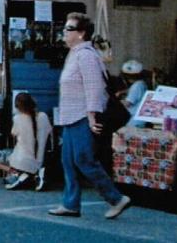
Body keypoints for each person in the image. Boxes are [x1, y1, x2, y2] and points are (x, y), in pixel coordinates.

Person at [48, 12, 131, 220]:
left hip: (82, 116)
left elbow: (94, 88)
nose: (64, 32)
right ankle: (70, 203)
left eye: (69, 29)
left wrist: (92, 116)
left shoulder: (86, 55)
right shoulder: (75, 54)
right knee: (68, 161)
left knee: (84, 159)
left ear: (81, 33)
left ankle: (116, 198)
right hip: (70, 116)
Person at [0, 92, 52, 190]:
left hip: (20, 161)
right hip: (39, 161)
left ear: (18, 107)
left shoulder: (17, 118)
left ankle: (16, 173)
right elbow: (50, 133)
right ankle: (35, 175)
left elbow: (13, 134)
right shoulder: (44, 116)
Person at [116, 59, 148, 126]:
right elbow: (131, 90)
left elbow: (127, 103)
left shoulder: (137, 86)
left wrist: (115, 101)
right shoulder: (141, 83)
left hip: (134, 119)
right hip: (139, 117)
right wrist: (121, 92)